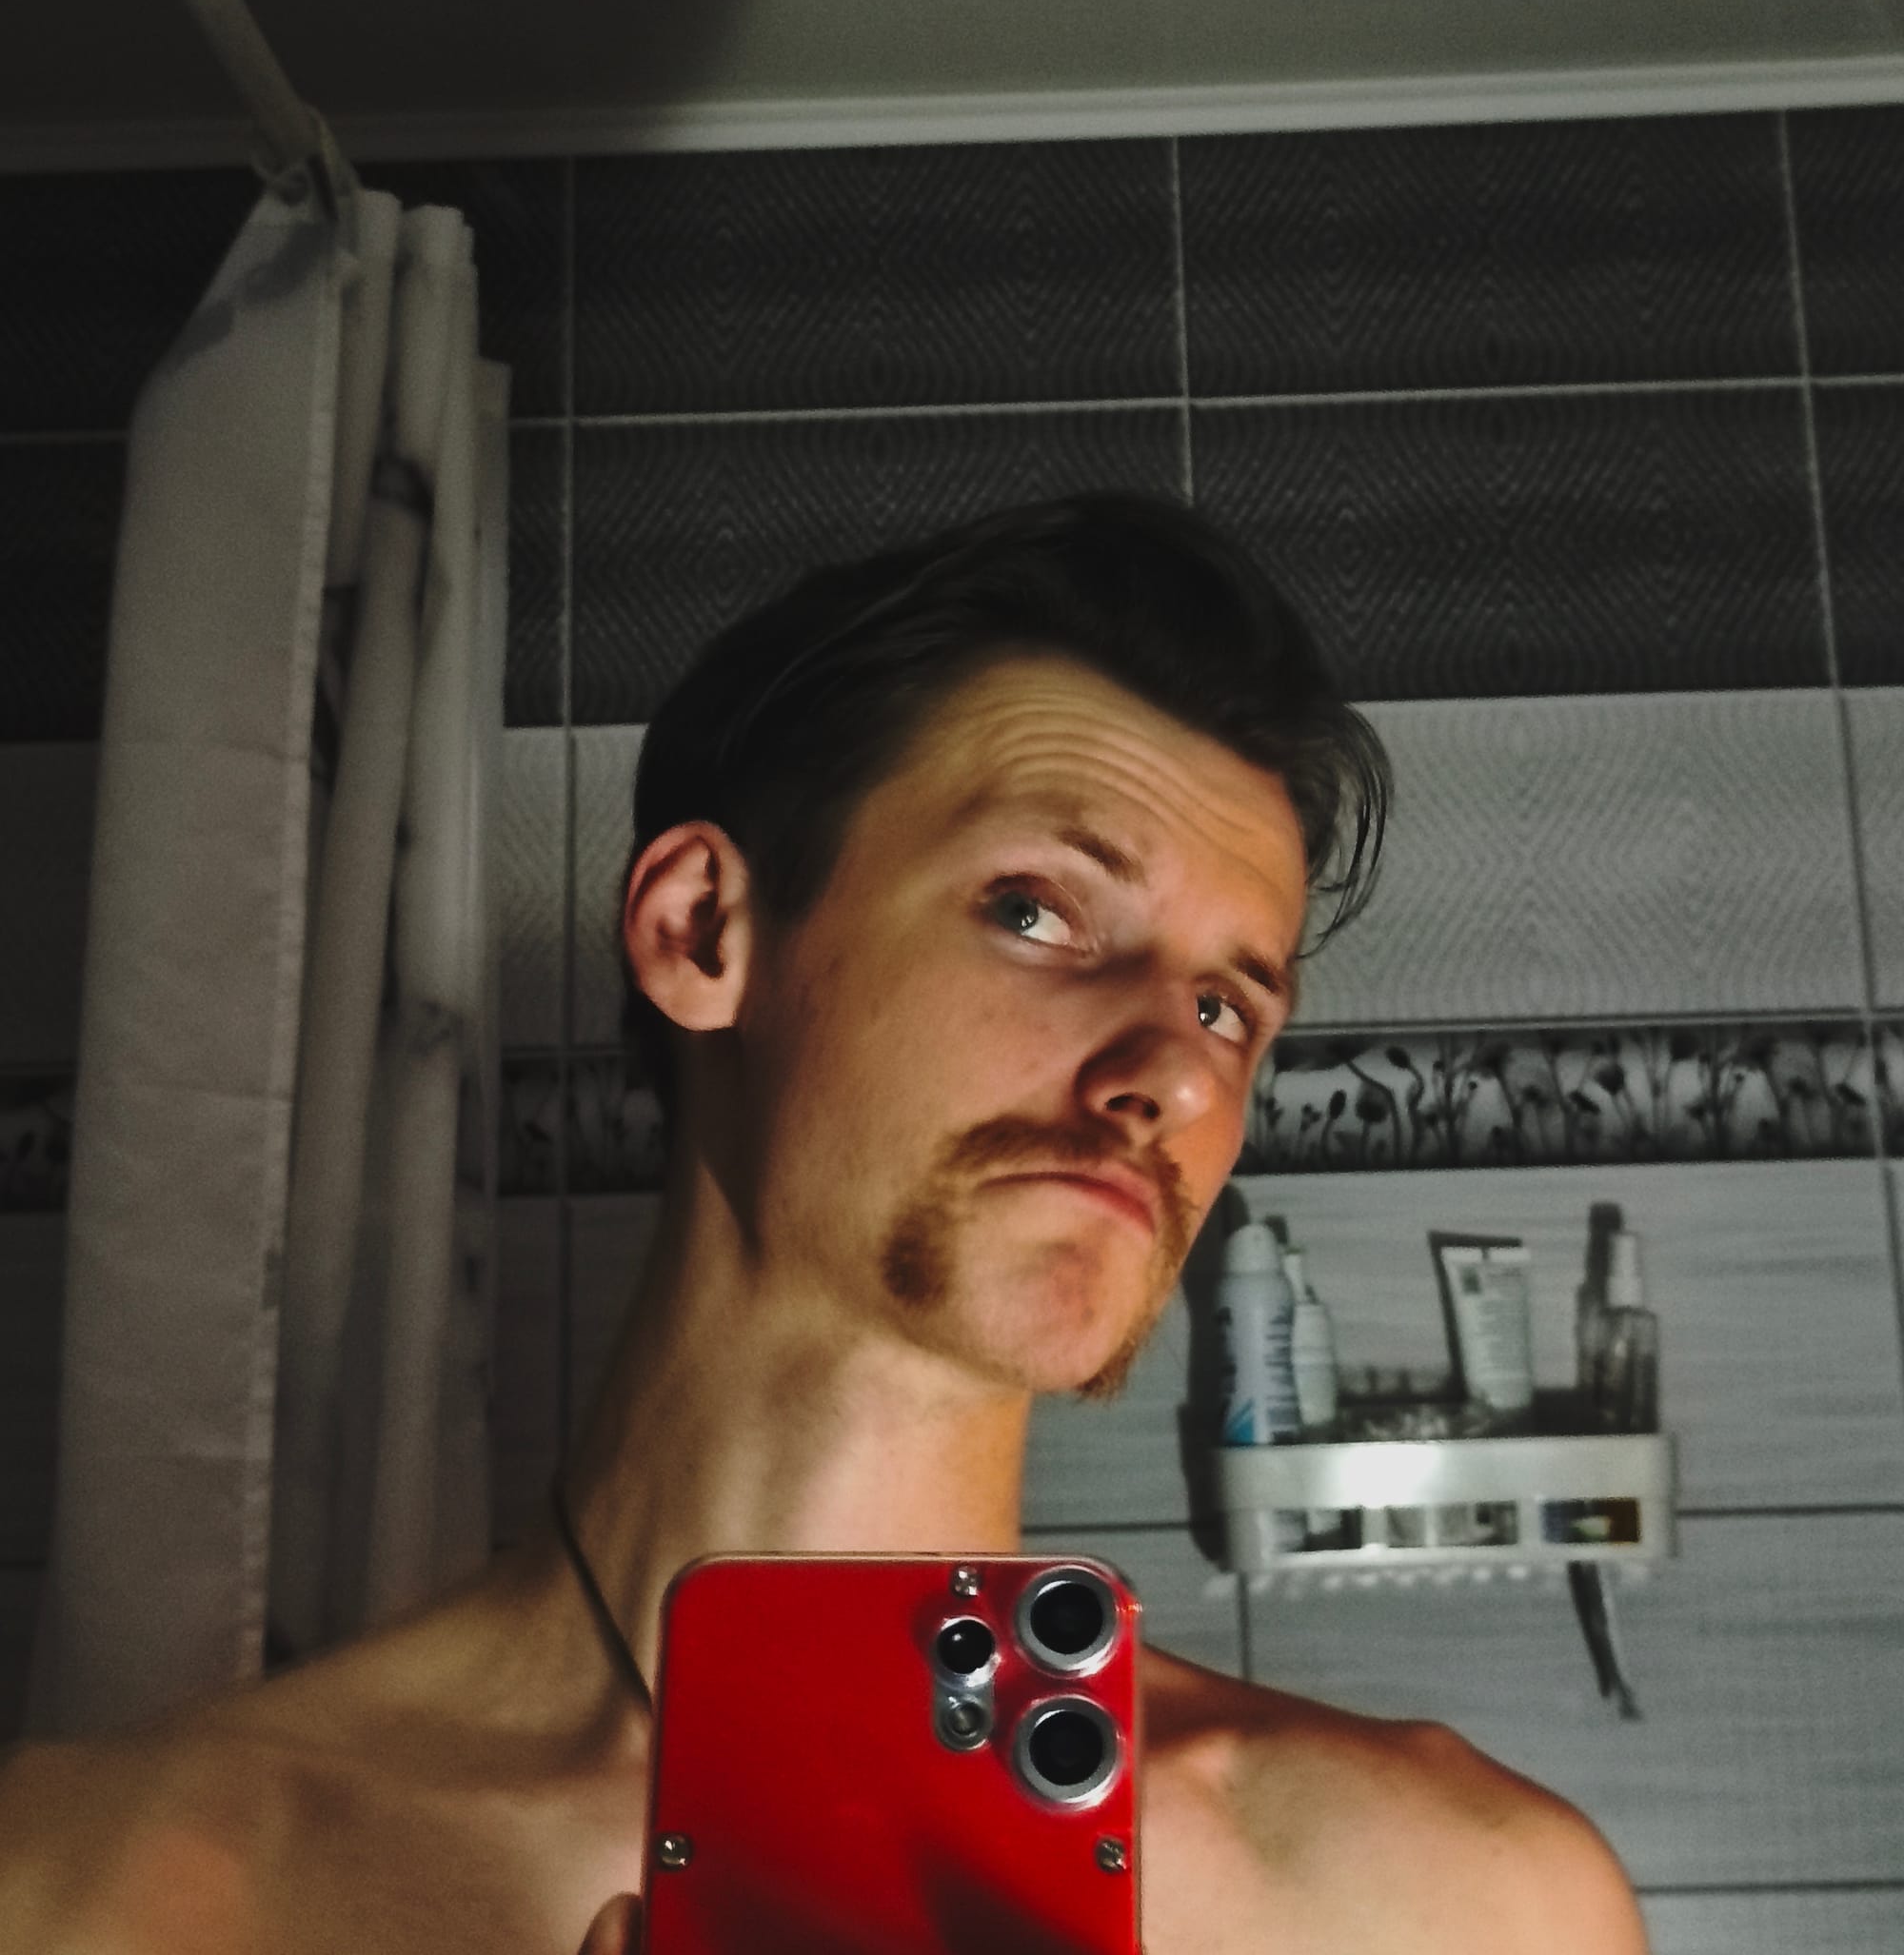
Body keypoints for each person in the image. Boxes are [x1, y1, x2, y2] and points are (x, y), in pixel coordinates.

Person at [0, 492, 1647, 1954]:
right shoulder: (94, 1887)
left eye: (1230, 1007)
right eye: (1039, 912)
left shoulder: (1458, 1908)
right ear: (703, 930)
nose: (1170, 1071)